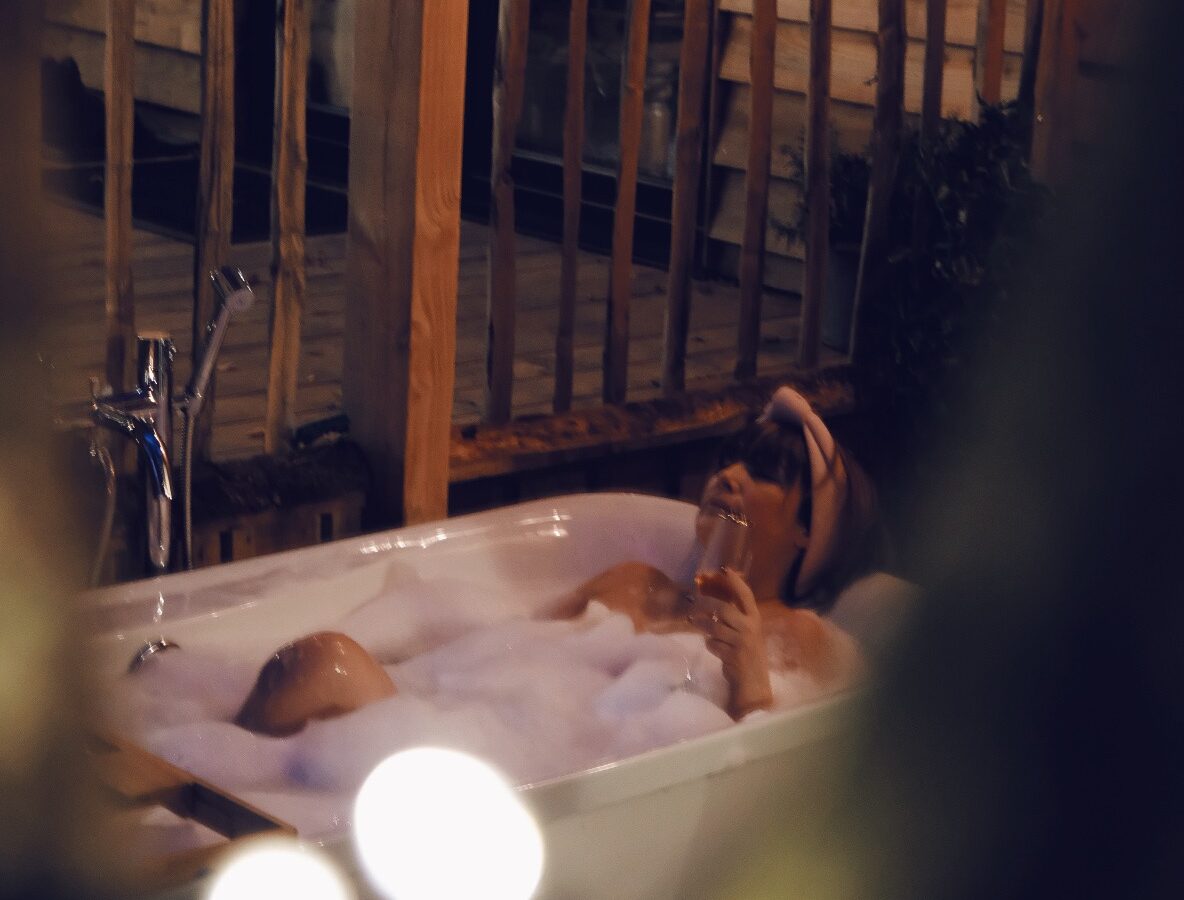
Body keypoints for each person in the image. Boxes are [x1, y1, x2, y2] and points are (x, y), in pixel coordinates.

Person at [556, 385, 889, 718]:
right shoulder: (628, 581)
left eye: (762, 473)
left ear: (807, 529)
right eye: (727, 463)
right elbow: (510, 661)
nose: (727, 476)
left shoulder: (798, 637)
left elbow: (778, 758)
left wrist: (752, 687)